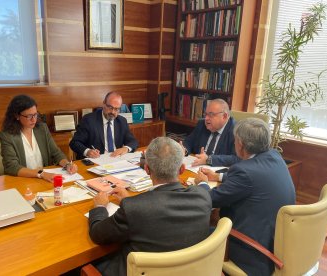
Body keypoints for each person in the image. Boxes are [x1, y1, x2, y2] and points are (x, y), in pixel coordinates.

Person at [88, 137, 212, 276]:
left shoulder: (134, 208)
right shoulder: (203, 195)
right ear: (182, 169)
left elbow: (97, 234)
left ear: (146, 169)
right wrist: (130, 202)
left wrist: (99, 207)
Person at [195, 118, 296, 275]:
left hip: (252, 250)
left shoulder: (244, 172)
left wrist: (202, 184)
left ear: (240, 144)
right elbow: (255, 177)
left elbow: (209, 200)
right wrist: (219, 176)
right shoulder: (274, 156)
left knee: (194, 233)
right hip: (274, 241)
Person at [0, 94, 77, 182]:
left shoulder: (42, 129)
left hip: (44, 180)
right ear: (17, 116)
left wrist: (67, 165)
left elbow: (56, 153)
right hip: (23, 181)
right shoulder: (7, 136)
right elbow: (11, 167)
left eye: (35, 115)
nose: (33, 120)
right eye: (29, 116)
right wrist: (41, 174)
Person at [69, 92, 138, 160]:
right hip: (96, 161)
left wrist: (126, 148)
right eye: (110, 107)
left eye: (117, 109)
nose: (113, 112)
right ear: (104, 104)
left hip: (116, 159)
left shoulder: (122, 121)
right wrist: (87, 151)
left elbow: (133, 141)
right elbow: (74, 143)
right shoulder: (88, 120)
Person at [182, 98, 238, 167]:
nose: (206, 118)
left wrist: (209, 159)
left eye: (211, 115)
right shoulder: (201, 124)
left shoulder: (237, 131)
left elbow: (236, 158)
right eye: (206, 114)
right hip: (196, 168)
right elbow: (188, 142)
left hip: (218, 173)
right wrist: (184, 150)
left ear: (224, 116)